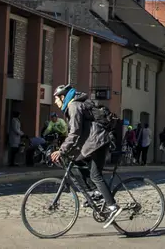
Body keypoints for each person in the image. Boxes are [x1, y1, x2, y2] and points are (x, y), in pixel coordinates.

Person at [49, 84, 123, 226]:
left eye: (57, 99)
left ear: (63, 97)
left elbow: (75, 132)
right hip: (93, 143)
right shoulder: (76, 105)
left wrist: (61, 150)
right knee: (77, 162)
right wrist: (67, 151)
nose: (56, 103)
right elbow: (80, 133)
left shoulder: (74, 106)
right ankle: (95, 192)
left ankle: (113, 206)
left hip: (98, 142)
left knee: (95, 175)